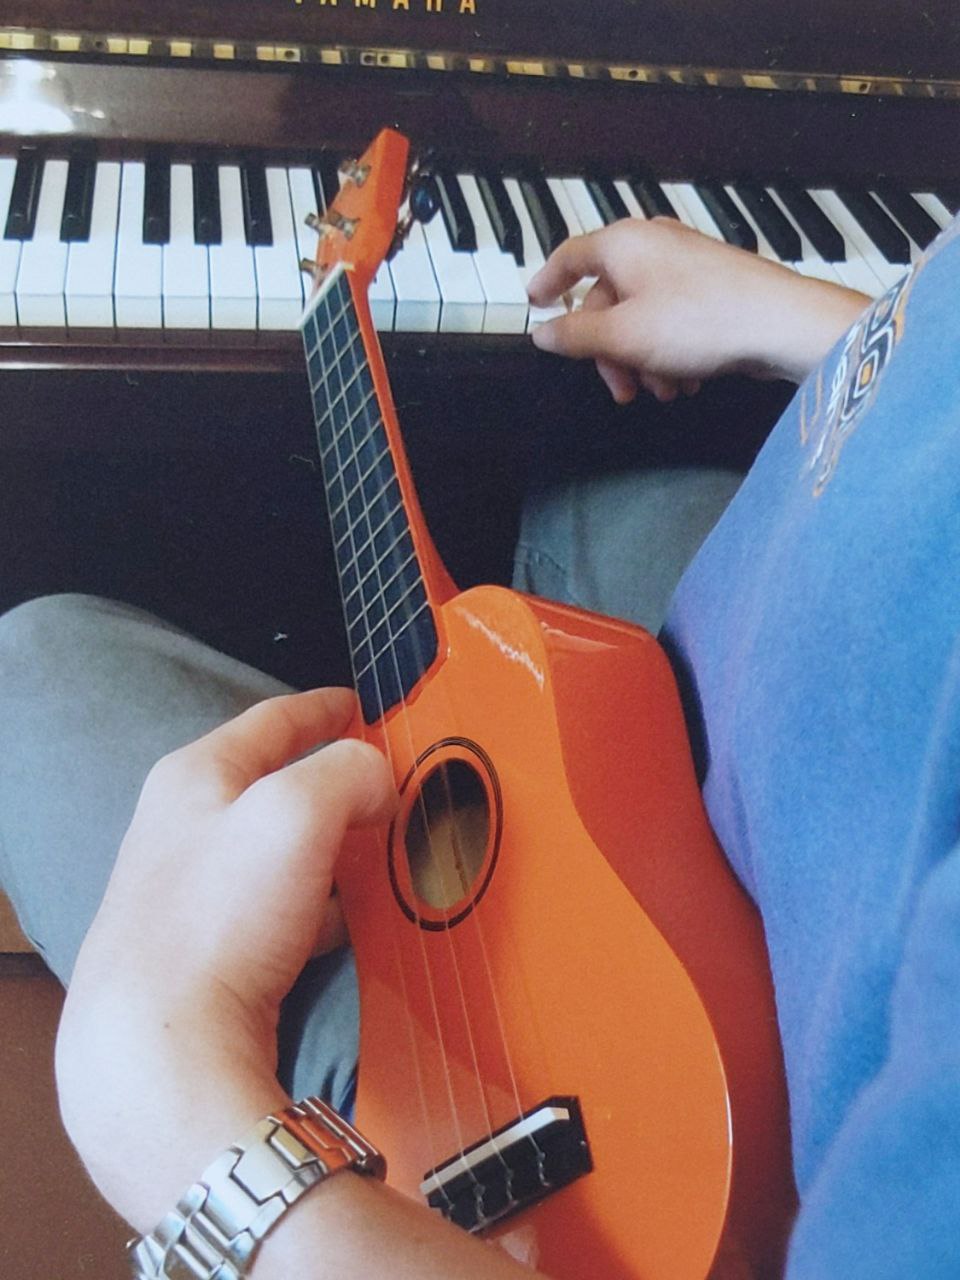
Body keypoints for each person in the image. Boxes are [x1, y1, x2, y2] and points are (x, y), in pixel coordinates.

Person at [3, 208, 959, 1278]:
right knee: (603, 491)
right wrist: (832, 328)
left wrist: (177, 1118)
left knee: (34, 660)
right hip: (789, 668)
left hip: (603, 1116)